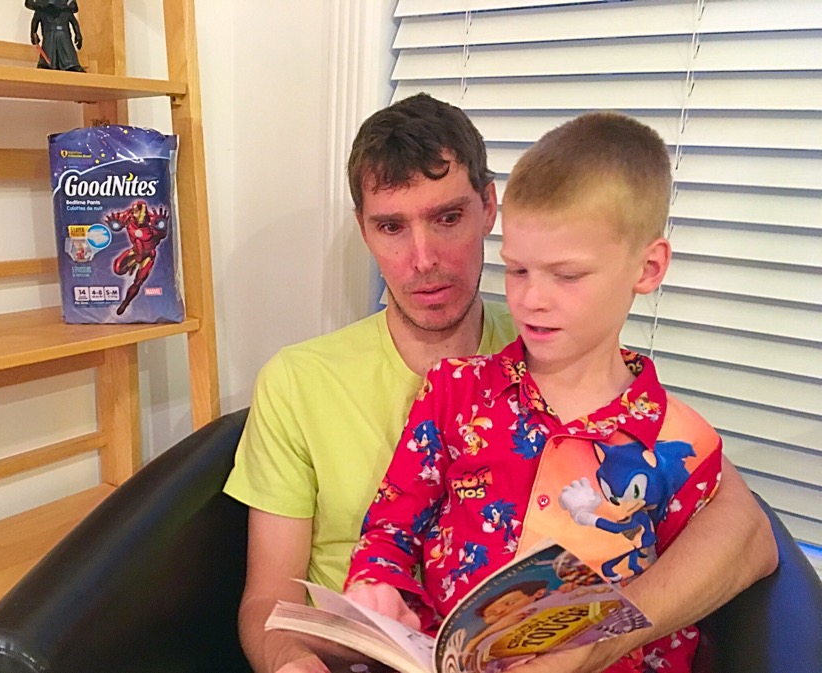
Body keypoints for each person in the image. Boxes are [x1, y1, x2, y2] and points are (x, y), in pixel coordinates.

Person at [223, 94, 777, 673]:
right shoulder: (323, 381)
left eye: (447, 218)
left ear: (489, 208)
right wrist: (295, 658)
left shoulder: (586, 363)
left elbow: (740, 528)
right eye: (391, 227)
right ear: (363, 230)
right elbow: (276, 595)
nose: (423, 259)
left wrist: (595, 647)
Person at [344, 112, 725, 673]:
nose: (531, 300)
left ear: (647, 268)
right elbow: (390, 529)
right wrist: (376, 585)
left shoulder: (681, 445)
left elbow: (678, 618)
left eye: (566, 276)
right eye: (518, 271)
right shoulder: (454, 391)